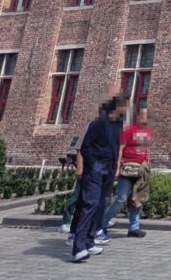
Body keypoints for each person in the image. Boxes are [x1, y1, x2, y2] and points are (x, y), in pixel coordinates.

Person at [71, 94, 125, 263]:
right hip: (96, 168)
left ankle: (89, 240)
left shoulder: (118, 125)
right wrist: (92, 164)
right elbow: (85, 146)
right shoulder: (98, 123)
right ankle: (78, 246)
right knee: (90, 204)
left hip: (108, 169)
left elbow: (116, 147)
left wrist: (115, 167)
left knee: (100, 205)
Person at [97, 105, 153, 240]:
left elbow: (147, 150)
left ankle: (134, 227)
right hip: (128, 167)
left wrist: (148, 164)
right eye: (143, 115)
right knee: (121, 198)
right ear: (138, 117)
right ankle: (101, 224)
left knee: (137, 199)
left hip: (141, 169)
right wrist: (117, 167)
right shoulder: (128, 131)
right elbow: (120, 149)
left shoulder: (148, 132)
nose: (145, 118)